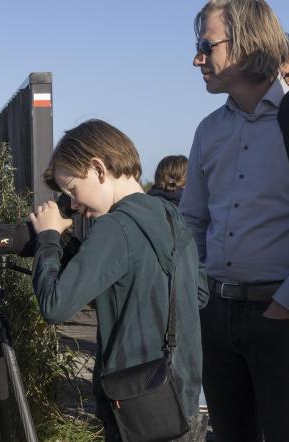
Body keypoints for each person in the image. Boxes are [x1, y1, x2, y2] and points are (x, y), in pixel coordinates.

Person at [29, 119, 208, 441]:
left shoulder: (114, 227)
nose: (72, 204)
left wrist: (49, 238)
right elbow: (198, 294)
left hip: (137, 401)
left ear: (99, 169)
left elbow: (55, 306)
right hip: (183, 399)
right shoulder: (171, 216)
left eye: (73, 189)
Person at [181, 1, 289, 440]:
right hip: (217, 316)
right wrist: (198, 299)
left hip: (281, 319)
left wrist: (284, 305)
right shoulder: (209, 129)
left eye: (206, 46)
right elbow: (192, 220)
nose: (197, 59)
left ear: (247, 43)